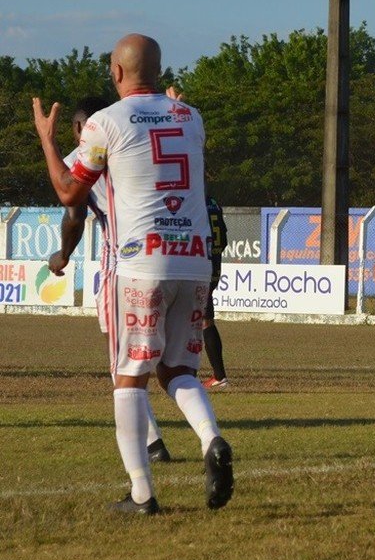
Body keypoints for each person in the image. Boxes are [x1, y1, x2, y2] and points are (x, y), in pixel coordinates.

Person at [33, 33, 233, 514]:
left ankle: (142, 493)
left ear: (116, 72)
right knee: (179, 371)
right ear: (159, 70)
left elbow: (68, 192)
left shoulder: (105, 121)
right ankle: (212, 439)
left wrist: (45, 137)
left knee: (129, 377)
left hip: (141, 261)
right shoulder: (191, 115)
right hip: (194, 259)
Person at [47, 96, 172, 463]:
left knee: (121, 357)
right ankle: (199, 431)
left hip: (119, 260)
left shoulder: (77, 160)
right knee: (165, 361)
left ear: (78, 130)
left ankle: (150, 444)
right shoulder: (136, 144)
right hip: (164, 255)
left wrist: (63, 255)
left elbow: (74, 215)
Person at [202, 194, 230, 389]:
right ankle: (218, 376)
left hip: (198, 261)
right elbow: (224, 237)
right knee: (205, 318)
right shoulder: (213, 202)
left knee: (199, 320)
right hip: (215, 261)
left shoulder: (191, 200)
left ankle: (219, 376)